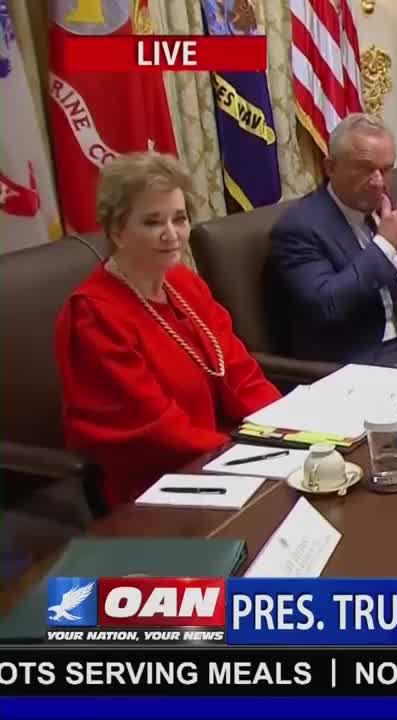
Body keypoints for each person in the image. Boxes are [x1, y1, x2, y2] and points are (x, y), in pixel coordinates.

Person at [55, 152, 282, 508]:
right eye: (152, 222)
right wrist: (235, 453)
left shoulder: (183, 283)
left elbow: (240, 373)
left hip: (223, 457)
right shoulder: (94, 313)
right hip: (158, 485)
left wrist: (285, 430)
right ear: (117, 231)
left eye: (179, 219)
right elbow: (152, 430)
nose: (171, 234)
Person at [270, 114, 397, 366]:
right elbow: (327, 305)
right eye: (365, 169)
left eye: (386, 169)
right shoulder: (298, 229)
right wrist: (385, 246)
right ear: (330, 167)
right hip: (364, 361)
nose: (378, 182)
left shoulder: (391, 208)